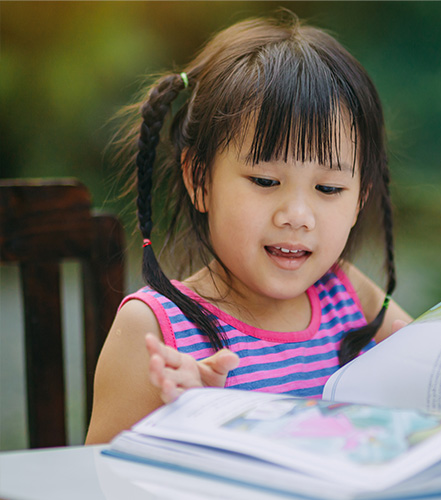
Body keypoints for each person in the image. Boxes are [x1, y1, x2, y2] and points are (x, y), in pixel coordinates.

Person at [85, 13, 411, 445]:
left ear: (360, 199)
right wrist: (175, 424)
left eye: (329, 188)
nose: (297, 214)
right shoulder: (154, 332)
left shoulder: (349, 296)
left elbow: (435, 374)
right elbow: (96, 481)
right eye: (264, 181)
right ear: (200, 180)